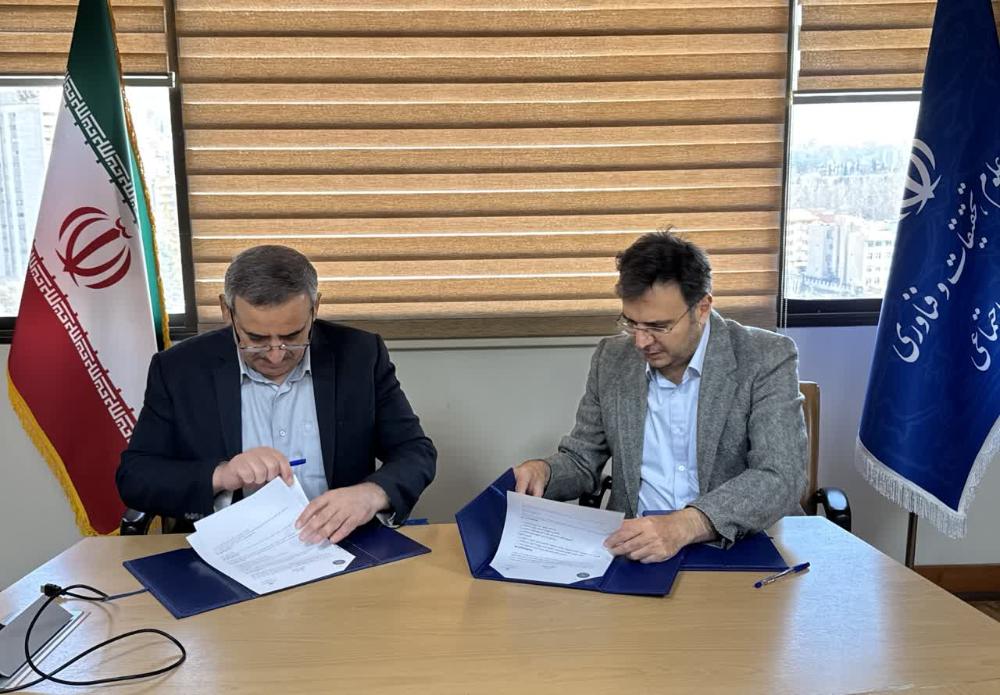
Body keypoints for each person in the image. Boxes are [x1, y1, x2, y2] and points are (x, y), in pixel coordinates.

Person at [513, 230, 807, 563]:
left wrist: (686, 524)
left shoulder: (765, 356)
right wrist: (545, 472)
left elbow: (780, 476)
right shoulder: (611, 359)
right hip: (637, 551)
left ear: (702, 308)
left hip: (738, 549)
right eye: (631, 323)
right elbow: (582, 460)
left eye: (657, 326)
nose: (640, 342)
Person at [117, 245, 436, 544]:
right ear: (227, 312)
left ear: (315, 308)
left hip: (339, 544)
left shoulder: (360, 355)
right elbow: (136, 477)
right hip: (226, 546)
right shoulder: (179, 369)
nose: (275, 355)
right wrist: (221, 475)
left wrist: (371, 494)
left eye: (292, 336)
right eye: (256, 339)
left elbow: (414, 451)